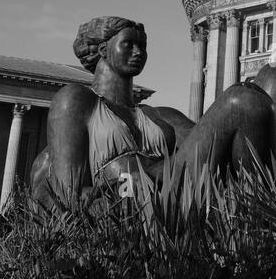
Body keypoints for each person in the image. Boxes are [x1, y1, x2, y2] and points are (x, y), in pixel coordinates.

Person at [31, 16, 184, 202]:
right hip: (118, 205)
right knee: (232, 100)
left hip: (169, 201)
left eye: (142, 46)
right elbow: (66, 195)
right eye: (128, 44)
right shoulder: (75, 99)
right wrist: (125, 186)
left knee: (231, 100)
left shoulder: (160, 114)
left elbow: (201, 151)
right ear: (103, 49)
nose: (138, 52)